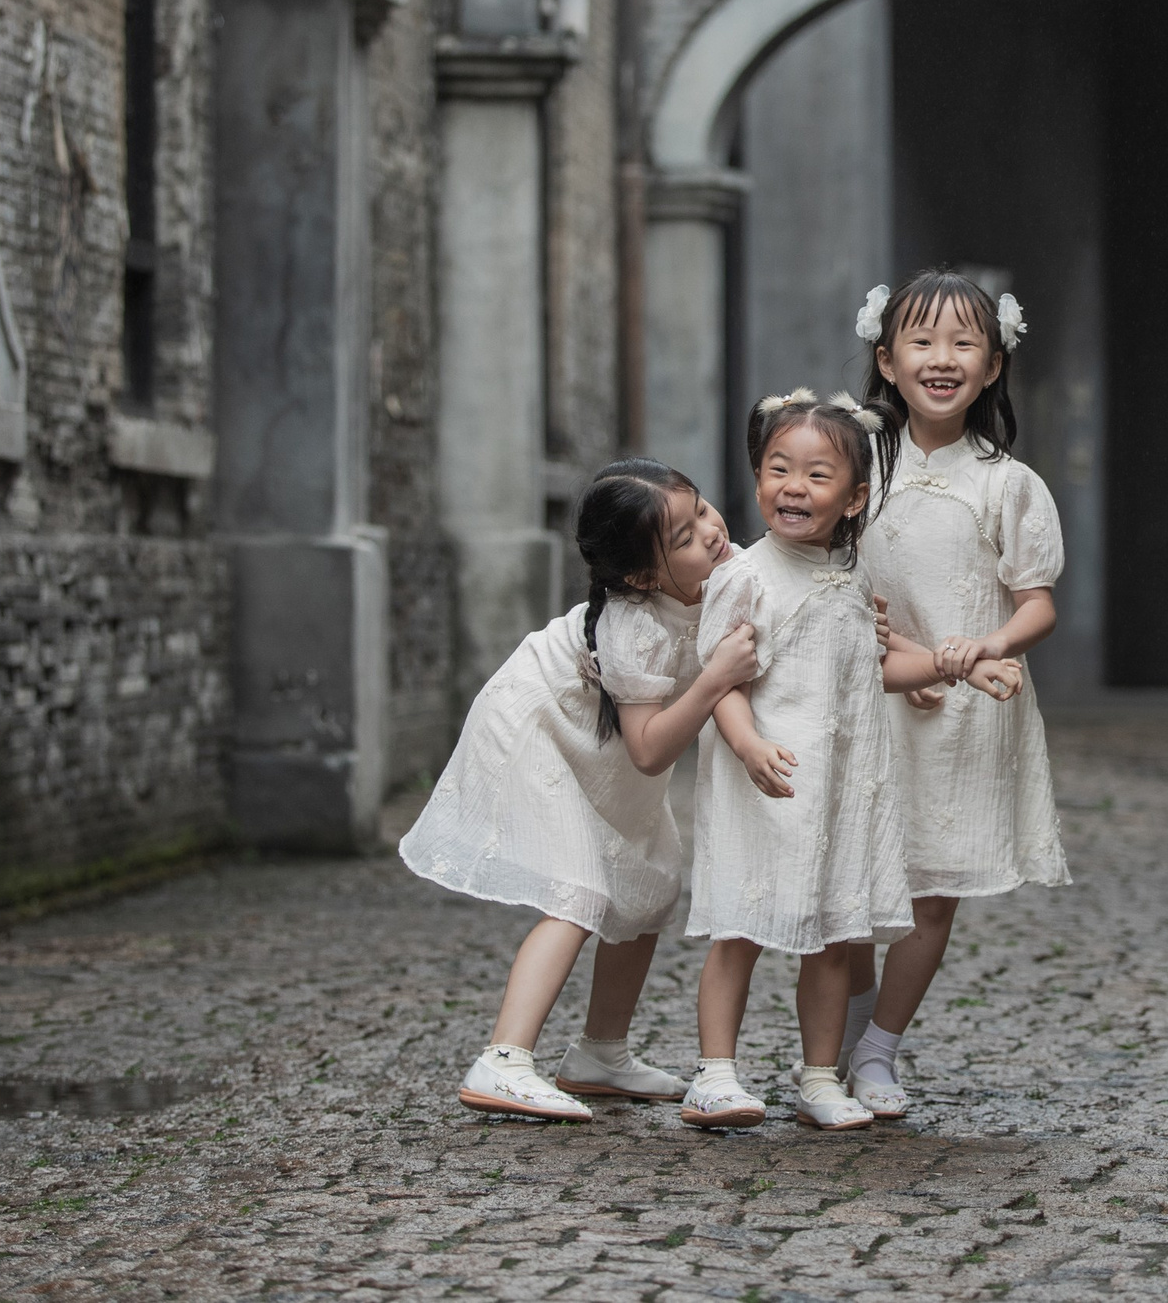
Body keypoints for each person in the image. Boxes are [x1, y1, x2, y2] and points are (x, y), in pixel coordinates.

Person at [680, 391, 1004, 1131]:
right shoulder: (745, 575)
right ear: (757, 478)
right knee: (741, 928)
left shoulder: (853, 577)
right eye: (778, 468)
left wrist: (936, 674)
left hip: (838, 785)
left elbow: (866, 661)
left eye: (817, 475)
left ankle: (821, 1073)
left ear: (855, 497)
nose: (794, 486)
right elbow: (722, 678)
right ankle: (715, 1072)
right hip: (769, 778)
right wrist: (747, 742)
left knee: (833, 936)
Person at [397, 459, 756, 1123]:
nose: (710, 530)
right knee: (580, 888)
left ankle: (601, 1052)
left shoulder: (722, 575)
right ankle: (503, 1059)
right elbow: (651, 752)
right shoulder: (633, 625)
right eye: (683, 535)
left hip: (599, 747)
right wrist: (712, 682)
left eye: (702, 508)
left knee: (649, 882)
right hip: (536, 724)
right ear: (644, 576)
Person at [842, 269, 1071, 1117]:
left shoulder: (1008, 483)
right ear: (887, 360)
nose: (943, 358)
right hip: (863, 697)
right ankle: (838, 1044)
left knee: (929, 890)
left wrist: (986, 645)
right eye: (923, 341)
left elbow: (1036, 601)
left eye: (964, 342)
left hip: (965, 717)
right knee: (854, 880)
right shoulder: (853, 459)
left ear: (993, 365)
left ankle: (876, 1050)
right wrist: (908, 655)